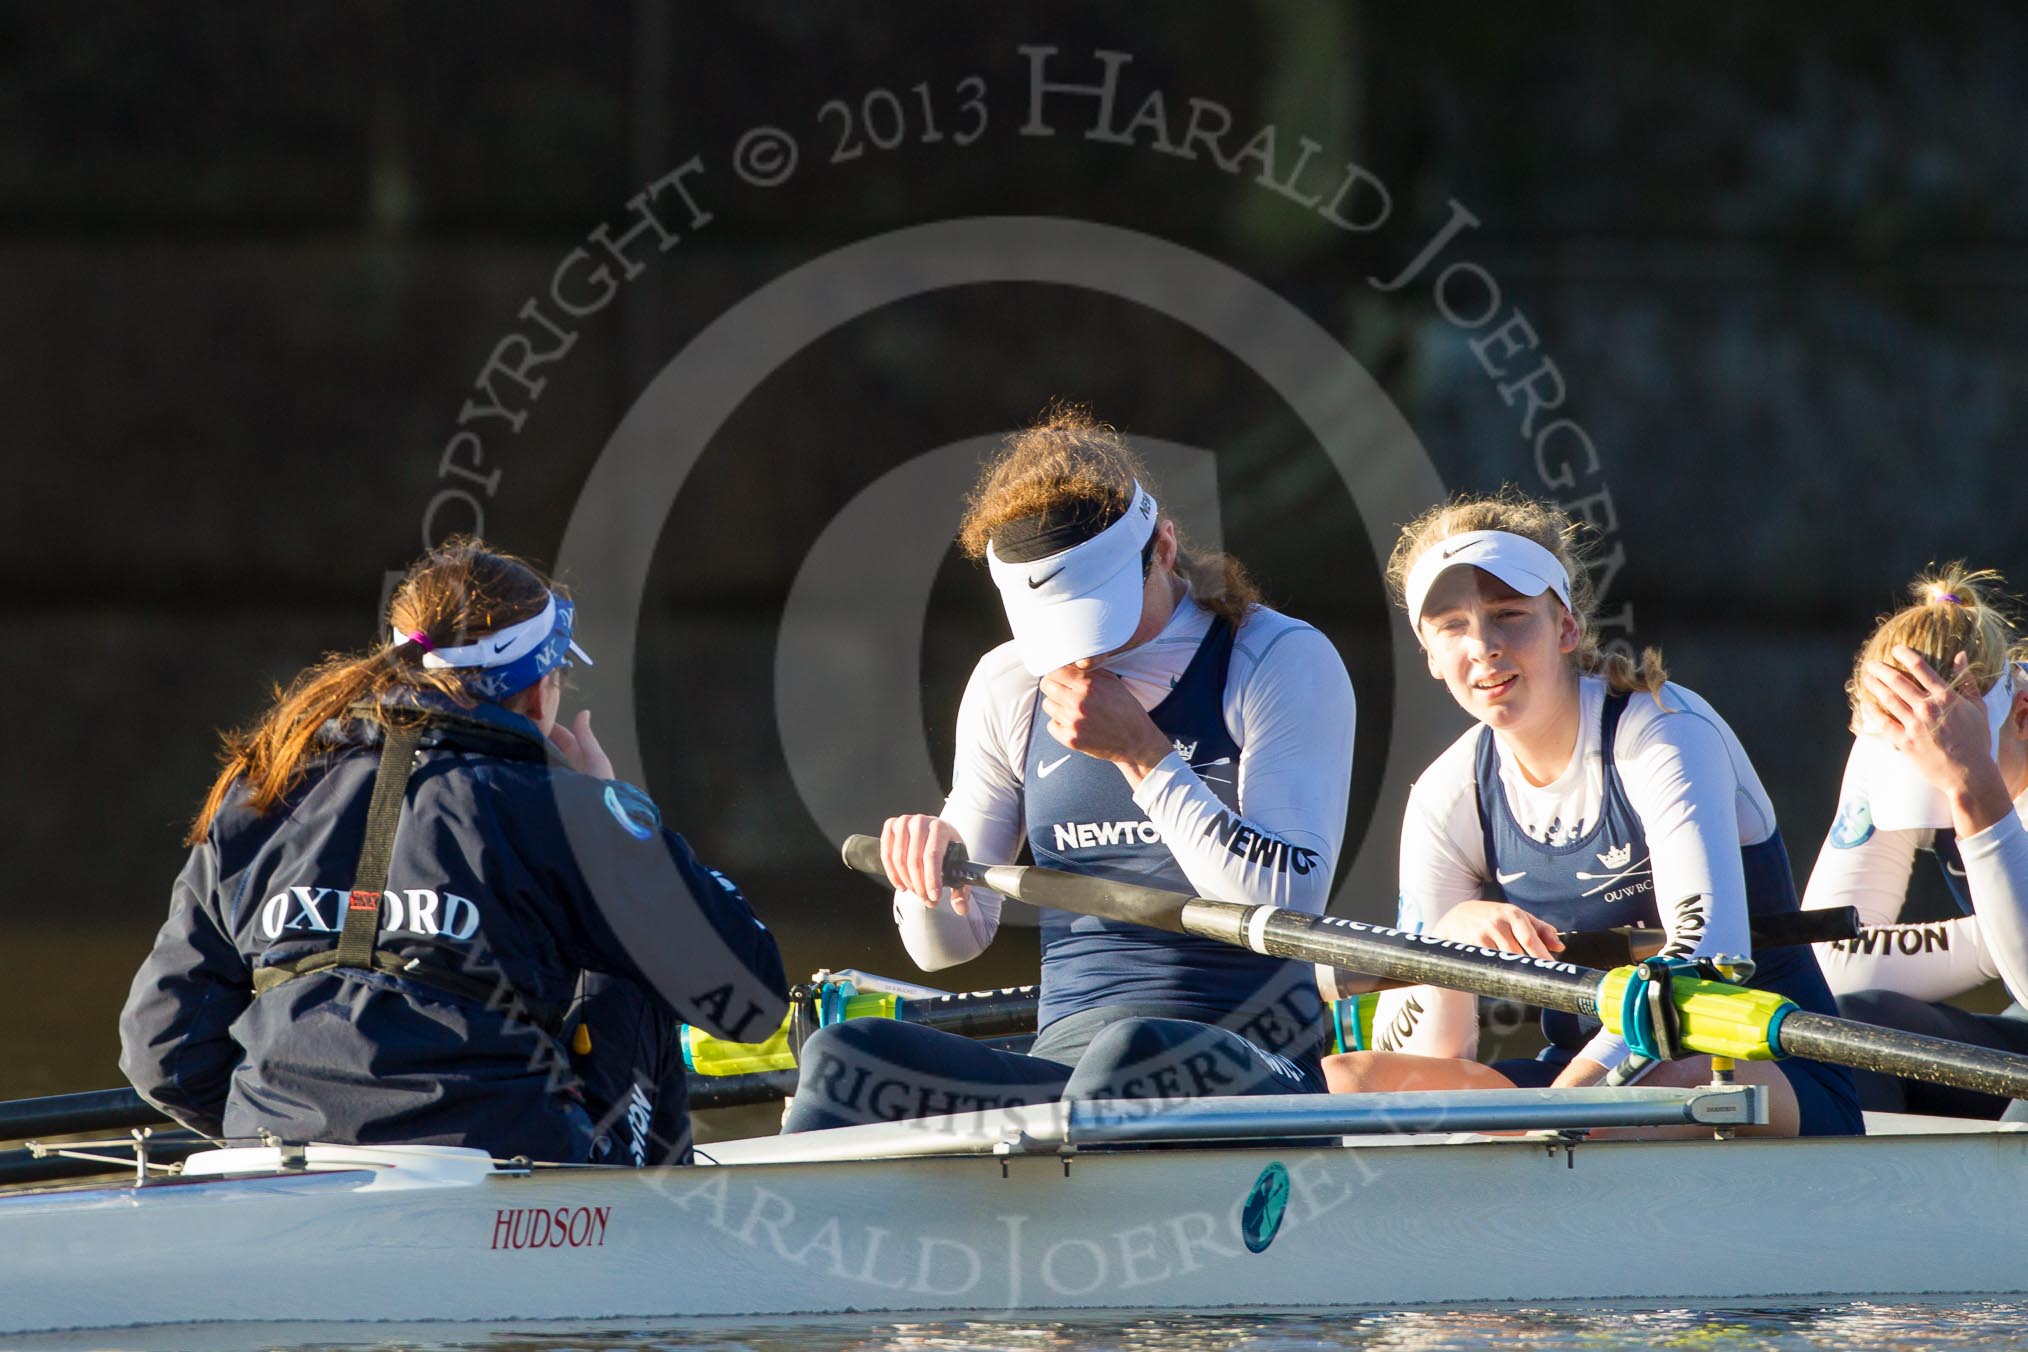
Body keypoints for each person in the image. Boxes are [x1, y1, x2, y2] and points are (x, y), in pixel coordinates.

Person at [120, 538, 788, 1164]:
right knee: (630, 963)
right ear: (535, 690)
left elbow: (163, 1054)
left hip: (279, 1168)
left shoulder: (262, 790)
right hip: (503, 1173)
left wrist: (288, 1133)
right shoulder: (564, 811)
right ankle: (648, 1238)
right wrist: (622, 824)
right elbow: (749, 997)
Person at [781, 407, 1356, 1131]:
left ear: (1164, 549)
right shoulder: (1008, 683)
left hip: (1253, 1060)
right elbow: (946, 951)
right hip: (1071, 1072)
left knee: (1131, 1053)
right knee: (845, 1058)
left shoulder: (1274, 659)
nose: (1080, 655)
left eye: (1100, 618)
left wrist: (1144, 756)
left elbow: (1289, 902)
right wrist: (929, 875)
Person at [1322, 490, 1861, 1137]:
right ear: (1430, 656)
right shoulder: (1446, 794)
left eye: (1509, 614)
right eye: (1453, 627)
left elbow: (1707, 954)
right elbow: (1438, 1055)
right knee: (1344, 1081)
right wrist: (1448, 943)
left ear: (1567, 627)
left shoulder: (1663, 733)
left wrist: (1567, 1104)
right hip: (1578, 1081)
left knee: (1656, 1084)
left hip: (1754, 1061)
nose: (1483, 646)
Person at [1800, 567, 2028, 1118]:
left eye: (1947, 760)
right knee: (1846, 1033)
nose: (1943, 792)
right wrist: (1990, 936)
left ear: (2022, 716)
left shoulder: (1973, 765)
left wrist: (1974, 787)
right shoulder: (1906, 727)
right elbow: (1828, 961)